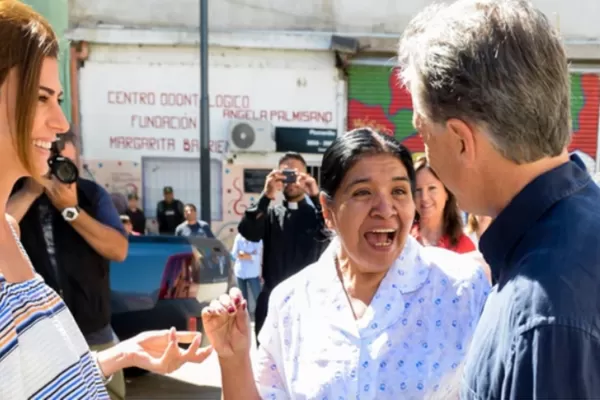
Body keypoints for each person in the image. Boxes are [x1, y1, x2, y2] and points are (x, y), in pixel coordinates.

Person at [0, 3, 212, 399]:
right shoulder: (15, 216)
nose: (61, 123)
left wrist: (119, 355)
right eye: (41, 97)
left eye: (59, 99)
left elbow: (34, 379)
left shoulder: (15, 227)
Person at [398, 0, 600, 397]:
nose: (426, 155)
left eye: (423, 133)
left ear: (460, 140)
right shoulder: (572, 236)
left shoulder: (543, 314)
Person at [202, 128, 490, 399]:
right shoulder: (291, 303)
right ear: (328, 211)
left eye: (399, 191)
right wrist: (233, 358)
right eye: (363, 192)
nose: (385, 209)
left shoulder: (461, 288)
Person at [9, 131, 130, 399]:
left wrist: (71, 210)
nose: (60, 169)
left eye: (68, 162)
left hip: (94, 331)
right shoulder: (13, 191)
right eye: (54, 159)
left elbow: (119, 249)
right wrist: (30, 191)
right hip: (36, 334)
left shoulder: (91, 194)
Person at [237, 152, 329, 344]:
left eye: (296, 174)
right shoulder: (270, 214)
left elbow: (331, 233)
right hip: (272, 301)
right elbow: (249, 232)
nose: (290, 181)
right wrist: (267, 195)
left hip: (309, 302)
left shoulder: (317, 215)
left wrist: (315, 194)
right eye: (285, 174)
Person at [411, 156, 476, 254]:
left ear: (447, 193)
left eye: (432, 188)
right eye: (417, 190)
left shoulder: (464, 246)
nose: (424, 197)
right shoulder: (403, 239)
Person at [231, 232, 262, 308]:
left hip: (253, 273)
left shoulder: (258, 239)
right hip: (240, 273)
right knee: (242, 301)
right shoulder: (238, 237)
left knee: (258, 298)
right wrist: (250, 254)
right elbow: (234, 255)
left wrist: (242, 254)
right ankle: (245, 318)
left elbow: (258, 257)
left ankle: (261, 318)